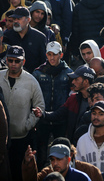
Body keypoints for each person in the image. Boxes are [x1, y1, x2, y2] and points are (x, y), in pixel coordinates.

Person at [0, 45, 45, 181]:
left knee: (19, 173)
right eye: (10, 60)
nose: (13, 64)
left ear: (23, 62)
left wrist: (27, 124)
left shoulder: (31, 81)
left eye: (17, 61)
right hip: (1, 139)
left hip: (20, 138)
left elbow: (40, 106)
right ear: (6, 60)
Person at [32, 41, 73, 170]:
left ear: (61, 55)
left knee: (61, 151)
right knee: (41, 153)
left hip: (61, 118)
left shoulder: (69, 73)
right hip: (42, 119)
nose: (52, 57)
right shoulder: (38, 73)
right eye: (49, 54)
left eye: (55, 54)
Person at [34, 65, 96, 143]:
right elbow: (58, 114)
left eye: (76, 79)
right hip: (75, 143)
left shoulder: (97, 101)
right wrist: (42, 114)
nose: (73, 82)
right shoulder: (73, 99)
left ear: (86, 81)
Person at [3, 7, 46, 73]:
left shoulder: (39, 37)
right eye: (14, 19)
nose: (16, 21)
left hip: (33, 77)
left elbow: (43, 62)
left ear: (28, 20)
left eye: (19, 19)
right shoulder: (7, 35)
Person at [22, 144, 91, 180]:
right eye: (52, 159)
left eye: (59, 159)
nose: (55, 163)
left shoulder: (81, 178)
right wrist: (28, 163)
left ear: (68, 160)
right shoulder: (48, 178)